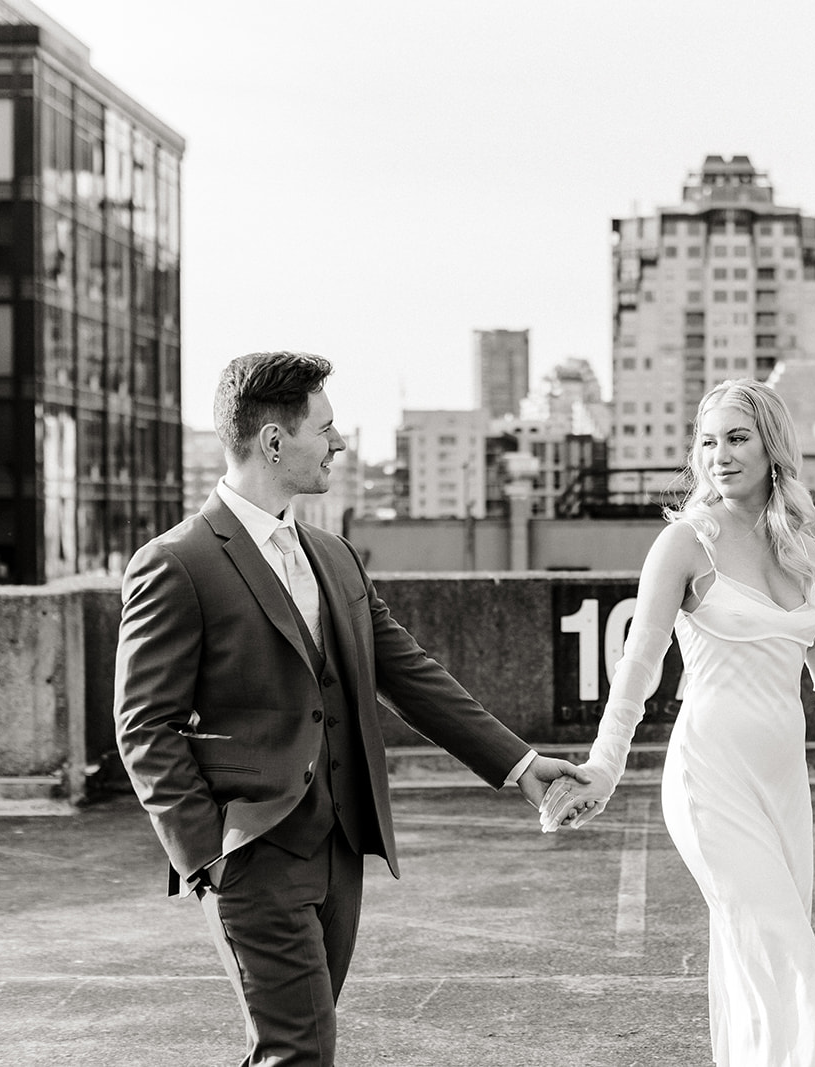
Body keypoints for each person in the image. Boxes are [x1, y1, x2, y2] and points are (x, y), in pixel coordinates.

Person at [113, 351, 586, 1066]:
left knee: (290, 1043)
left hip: (341, 853)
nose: (340, 442)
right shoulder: (177, 562)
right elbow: (143, 723)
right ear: (275, 442)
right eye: (327, 428)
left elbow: (409, 673)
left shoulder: (333, 555)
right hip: (252, 854)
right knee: (301, 1049)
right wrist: (209, 855)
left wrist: (517, 762)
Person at [540, 378, 815, 1066]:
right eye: (707, 442)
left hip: (783, 789)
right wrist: (604, 769)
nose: (719, 456)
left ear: (771, 447)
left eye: (736, 437)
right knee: (790, 957)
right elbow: (637, 667)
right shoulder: (684, 544)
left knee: (751, 964)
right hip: (709, 778)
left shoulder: (803, 552)